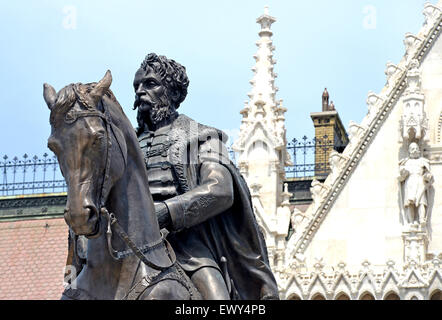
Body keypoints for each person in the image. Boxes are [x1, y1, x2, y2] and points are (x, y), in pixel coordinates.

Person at [133, 53, 279, 300]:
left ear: (174, 93)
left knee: (216, 298)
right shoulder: (125, 144)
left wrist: (166, 212)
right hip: (127, 243)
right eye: (136, 85)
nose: (139, 91)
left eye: (150, 84)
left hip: (185, 247)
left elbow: (220, 190)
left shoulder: (200, 137)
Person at [398, 142, 433, 227]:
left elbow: (428, 174)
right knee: (410, 202)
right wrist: (403, 174)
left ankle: (421, 219)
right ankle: (412, 221)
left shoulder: (423, 161)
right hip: (409, 183)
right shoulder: (406, 162)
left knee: (422, 201)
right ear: (409, 151)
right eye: (412, 149)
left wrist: (427, 176)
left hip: (420, 182)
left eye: (416, 148)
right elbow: (401, 177)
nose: (415, 151)